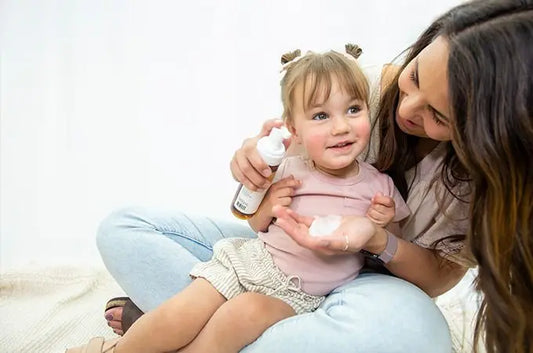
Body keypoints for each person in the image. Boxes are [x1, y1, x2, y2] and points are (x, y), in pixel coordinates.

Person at [95, 1, 532, 352]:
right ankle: (190, 329)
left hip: (363, 287)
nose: (404, 110)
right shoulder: (358, 90)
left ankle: (172, 329)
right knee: (125, 228)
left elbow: (435, 278)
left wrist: (378, 239)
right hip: (271, 261)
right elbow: (257, 212)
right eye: (413, 76)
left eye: (438, 115)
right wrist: (256, 181)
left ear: (486, 138)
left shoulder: (481, 186)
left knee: (414, 335)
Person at [67, 47, 411, 353]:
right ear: (294, 128)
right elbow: (257, 225)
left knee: (240, 315)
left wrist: (381, 221)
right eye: (321, 116)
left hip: (302, 296)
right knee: (184, 310)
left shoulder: (377, 185)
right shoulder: (291, 167)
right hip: (251, 263)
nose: (341, 127)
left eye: (353, 110)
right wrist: (269, 203)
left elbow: (389, 243)